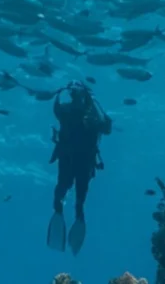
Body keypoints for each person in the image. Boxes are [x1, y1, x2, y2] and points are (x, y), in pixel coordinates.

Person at [46, 80, 112, 254]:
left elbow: (107, 127)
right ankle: (71, 212)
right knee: (71, 192)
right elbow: (107, 127)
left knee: (66, 190)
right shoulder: (82, 114)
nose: (76, 98)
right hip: (77, 161)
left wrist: (62, 92)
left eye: (78, 94)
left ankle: (68, 212)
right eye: (75, 94)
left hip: (74, 160)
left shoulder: (87, 115)